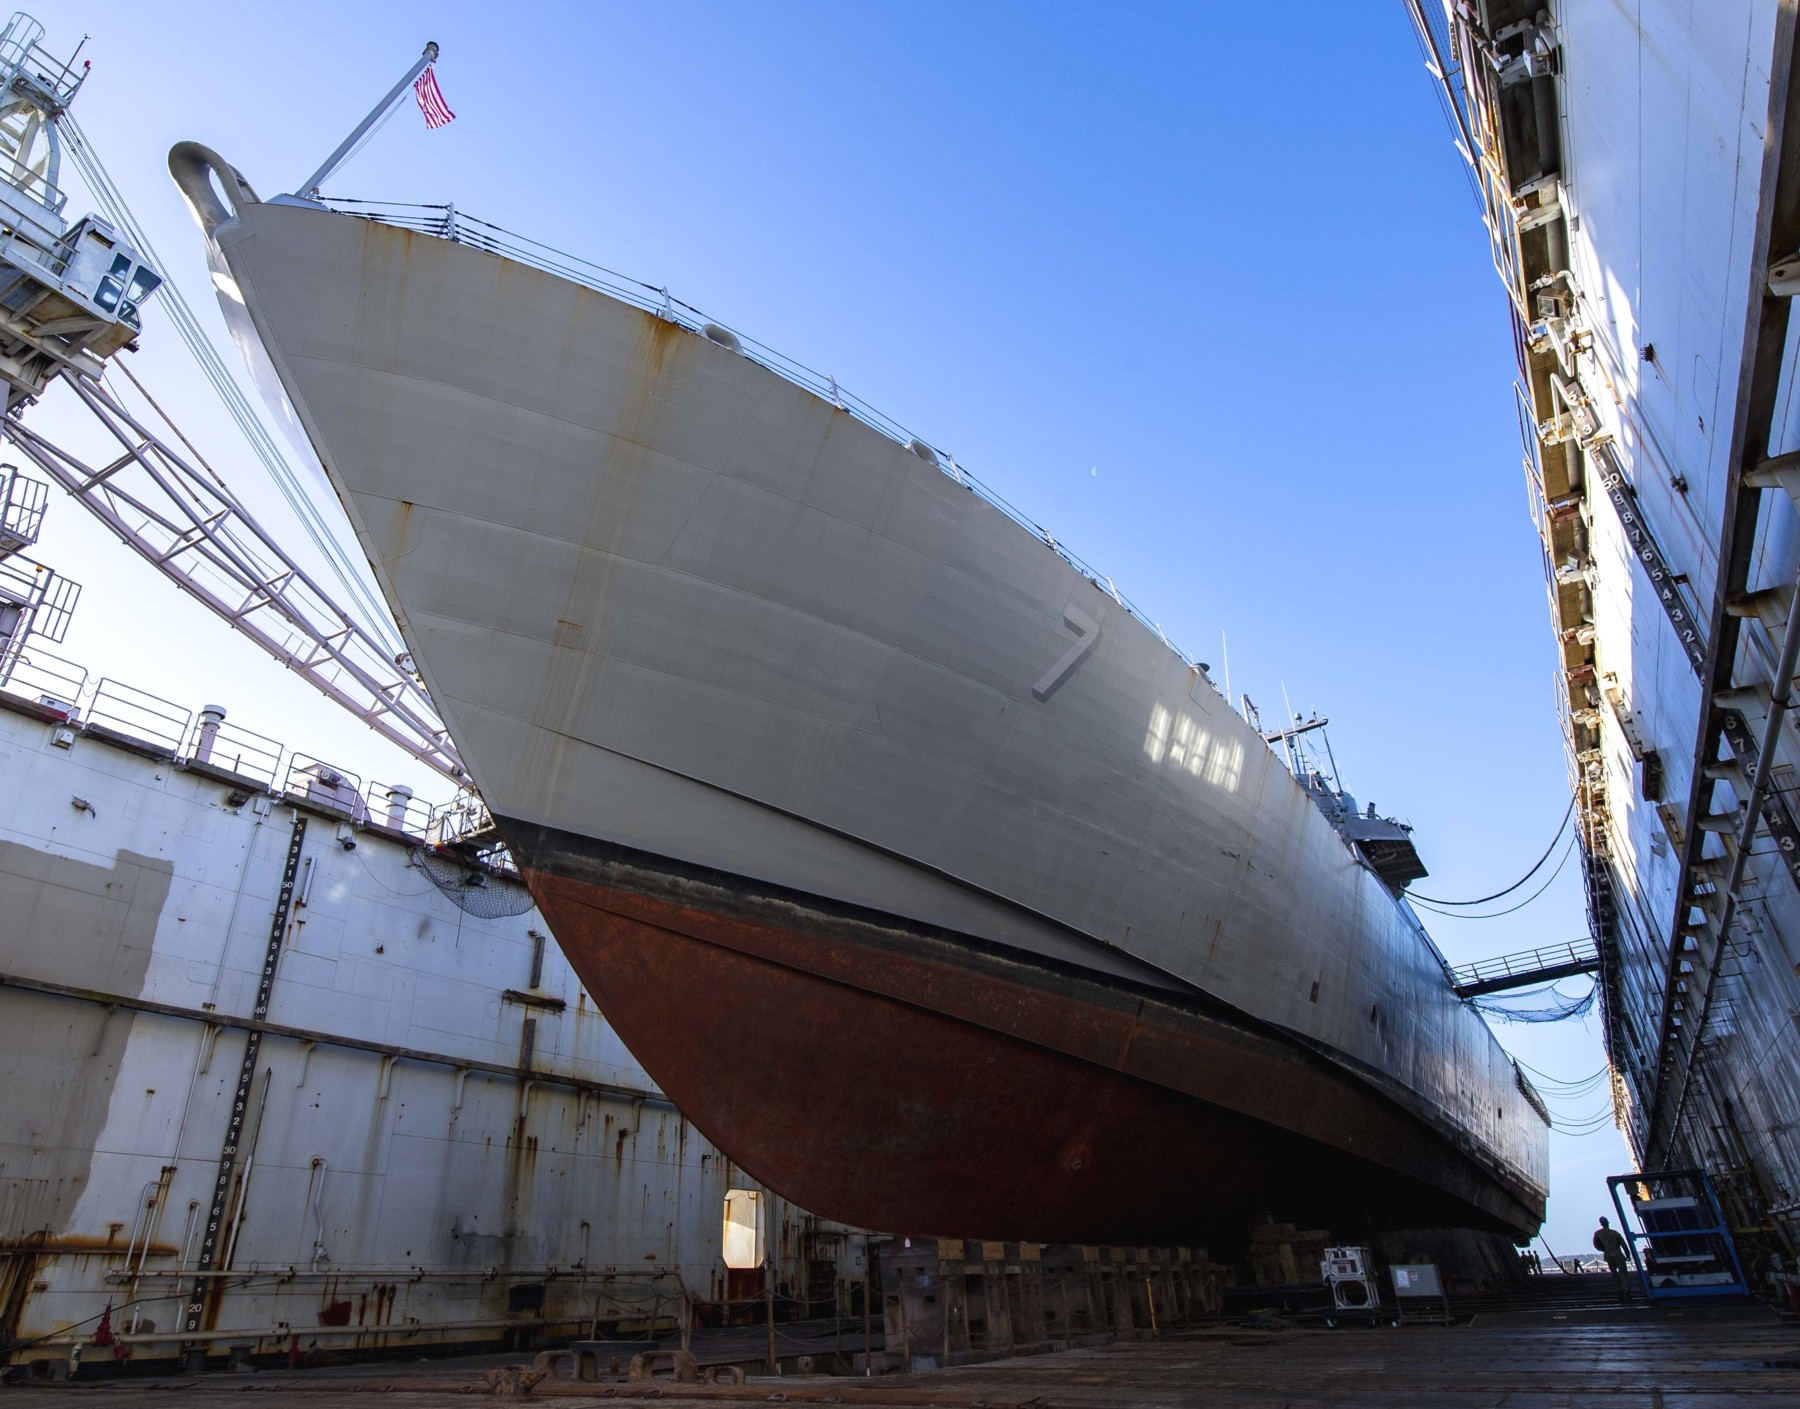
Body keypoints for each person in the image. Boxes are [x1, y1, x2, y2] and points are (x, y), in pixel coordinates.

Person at [1593, 1217, 1632, 1303]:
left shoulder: (1598, 1234)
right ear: (1608, 1223)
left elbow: (1596, 1245)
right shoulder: (1615, 1233)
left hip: (1609, 1256)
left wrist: (1604, 1250)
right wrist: (1628, 1255)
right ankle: (1627, 1294)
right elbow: (1624, 1245)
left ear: (1601, 1224)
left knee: (1615, 1276)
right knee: (1623, 1274)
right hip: (1619, 1256)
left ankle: (1620, 1294)